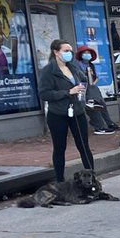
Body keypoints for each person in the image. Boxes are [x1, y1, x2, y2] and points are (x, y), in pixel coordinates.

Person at [37, 38, 96, 183]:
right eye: (66, 51)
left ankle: (92, 177)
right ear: (56, 52)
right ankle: (60, 180)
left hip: (77, 112)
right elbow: (44, 94)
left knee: (84, 146)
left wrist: (83, 88)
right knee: (59, 148)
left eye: (70, 51)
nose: (69, 53)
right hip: (58, 114)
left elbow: (83, 82)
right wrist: (68, 92)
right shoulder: (48, 71)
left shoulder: (73, 67)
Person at [74, 46, 120, 135]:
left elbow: (96, 77)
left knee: (101, 104)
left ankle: (109, 123)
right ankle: (99, 126)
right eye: (85, 53)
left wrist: (92, 81)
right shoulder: (77, 65)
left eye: (89, 53)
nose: (87, 55)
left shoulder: (91, 65)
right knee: (92, 106)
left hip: (92, 87)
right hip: (82, 88)